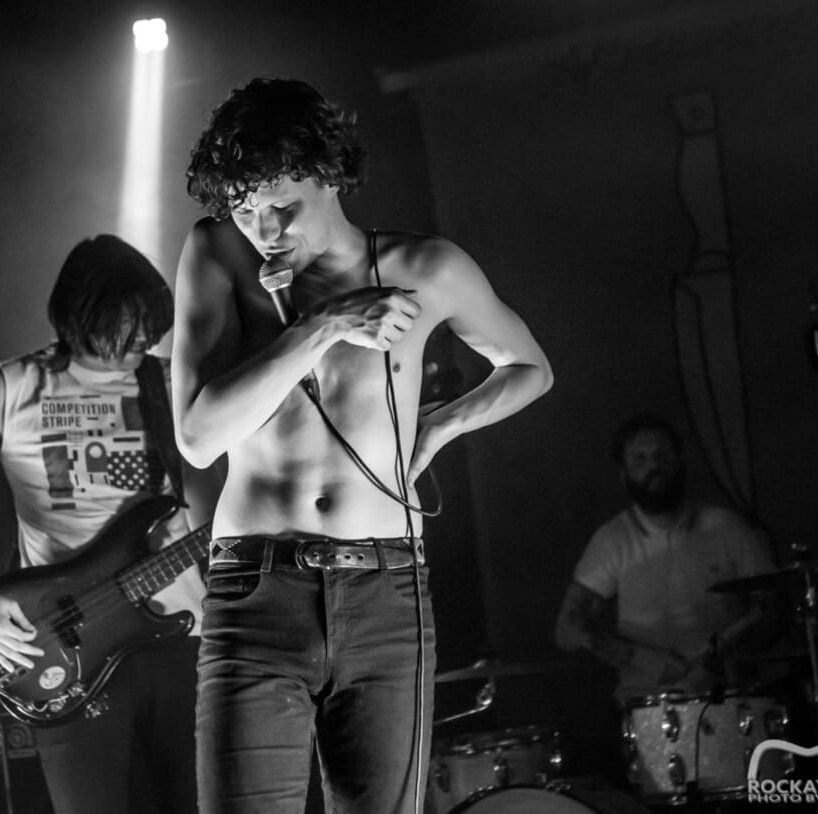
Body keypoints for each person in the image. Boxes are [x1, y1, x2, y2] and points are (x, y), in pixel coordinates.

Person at [172, 77, 553, 814]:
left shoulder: (425, 268)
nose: (265, 229)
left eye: (282, 206)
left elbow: (530, 368)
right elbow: (197, 437)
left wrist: (439, 428)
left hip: (386, 589)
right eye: (246, 211)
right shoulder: (217, 252)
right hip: (258, 588)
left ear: (328, 174)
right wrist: (324, 325)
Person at [0, 234, 217, 814]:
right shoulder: (7, 390)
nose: (147, 338)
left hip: (182, 637)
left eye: (152, 322)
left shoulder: (170, 384)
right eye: (130, 323)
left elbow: (212, 502)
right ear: (83, 314)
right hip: (69, 646)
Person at [554, 413, 785, 702]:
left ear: (680, 462)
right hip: (649, 705)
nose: (653, 467)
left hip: (729, 698)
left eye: (661, 455)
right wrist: (640, 658)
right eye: (640, 459)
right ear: (623, 474)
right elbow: (567, 630)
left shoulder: (726, 526)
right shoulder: (611, 541)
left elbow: (772, 609)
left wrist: (724, 657)